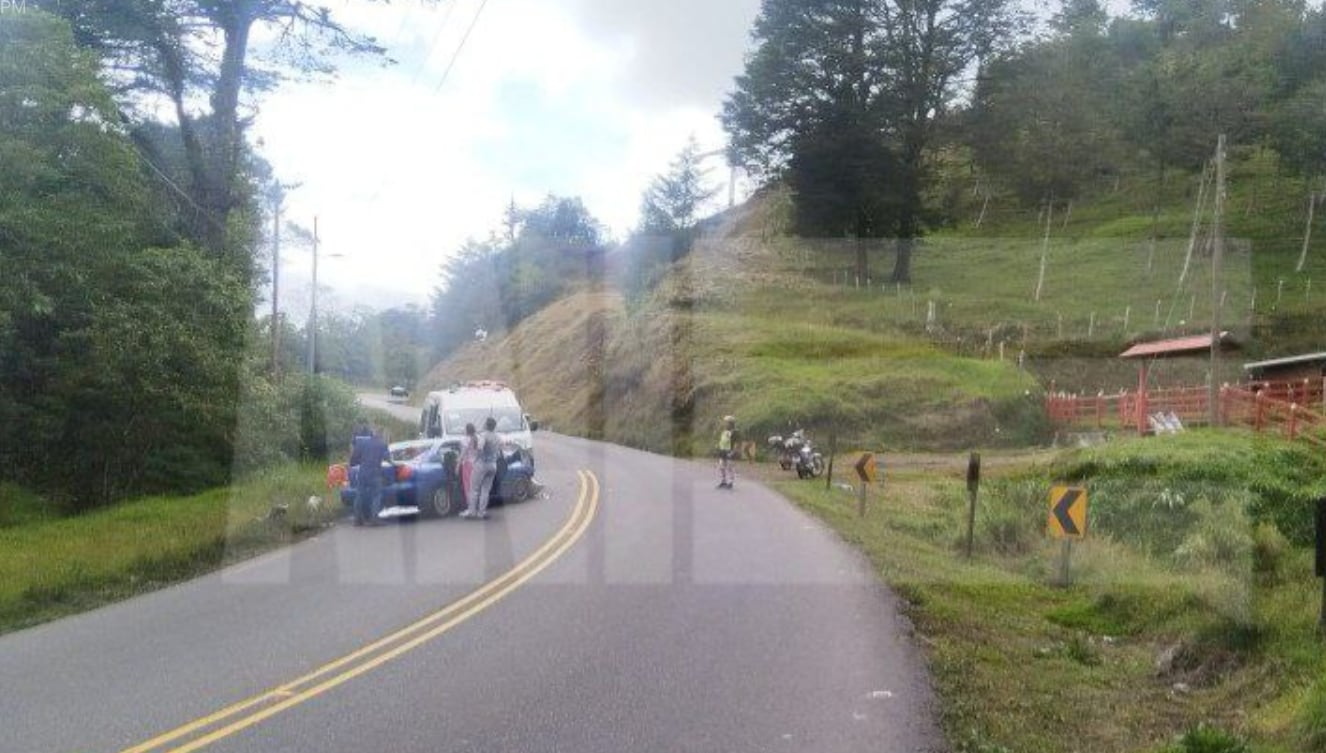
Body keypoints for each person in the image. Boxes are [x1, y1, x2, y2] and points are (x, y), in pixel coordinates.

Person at [352, 426, 391, 526]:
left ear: (371, 434)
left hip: (363, 473)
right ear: (381, 435)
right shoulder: (382, 444)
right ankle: (374, 519)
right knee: (376, 495)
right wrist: (394, 463)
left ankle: (357, 519)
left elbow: (354, 458)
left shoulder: (362, 443)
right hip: (375, 474)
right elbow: (388, 459)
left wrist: (359, 462)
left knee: (359, 495)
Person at [463, 416, 500, 520]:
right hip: (493, 465)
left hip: (482, 464)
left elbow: (480, 448)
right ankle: (481, 512)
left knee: (474, 488)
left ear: (486, 425)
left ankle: (472, 512)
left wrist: (475, 459)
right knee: (485, 490)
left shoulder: (483, 436)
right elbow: (499, 451)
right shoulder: (497, 437)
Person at [460, 422, 479, 505]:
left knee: (467, 487)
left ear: (467, 430)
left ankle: (470, 507)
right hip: (475, 464)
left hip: (467, 464)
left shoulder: (465, 439)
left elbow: (463, 452)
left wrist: (458, 463)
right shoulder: (476, 439)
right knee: (474, 487)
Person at [717, 415, 737, 489]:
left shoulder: (734, 432)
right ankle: (723, 481)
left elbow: (736, 444)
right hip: (722, 451)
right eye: (725, 422)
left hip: (729, 451)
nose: (725, 424)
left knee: (729, 467)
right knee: (721, 466)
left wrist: (733, 452)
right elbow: (722, 441)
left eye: (727, 422)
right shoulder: (724, 431)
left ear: (731, 423)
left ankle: (731, 482)